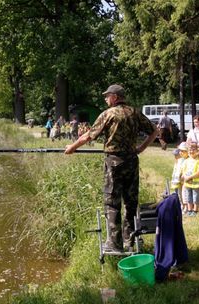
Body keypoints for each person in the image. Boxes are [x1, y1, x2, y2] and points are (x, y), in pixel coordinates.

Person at [65, 84, 158, 252]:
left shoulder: (108, 114)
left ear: (115, 97)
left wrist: (72, 147)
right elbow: (154, 131)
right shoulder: (134, 112)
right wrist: (141, 148)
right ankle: (129, 240)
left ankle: (114, 244)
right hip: (131, 161)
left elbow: (88, 135)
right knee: (130, 202)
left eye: (107, 96)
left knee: (112, 202)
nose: (105, 99)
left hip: (114, 163)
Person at [181, 143, 199, 216]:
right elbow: (183, 170)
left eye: (193, 150)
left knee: (195, 197)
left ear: (197, 151)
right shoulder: (186, 161)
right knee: (188, 196)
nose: (191, 151)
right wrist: (184, 176)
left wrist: (190, 177)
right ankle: (190, 209)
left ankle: (195, 210)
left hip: (195, 183)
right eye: (190, 150)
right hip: (187, 182)